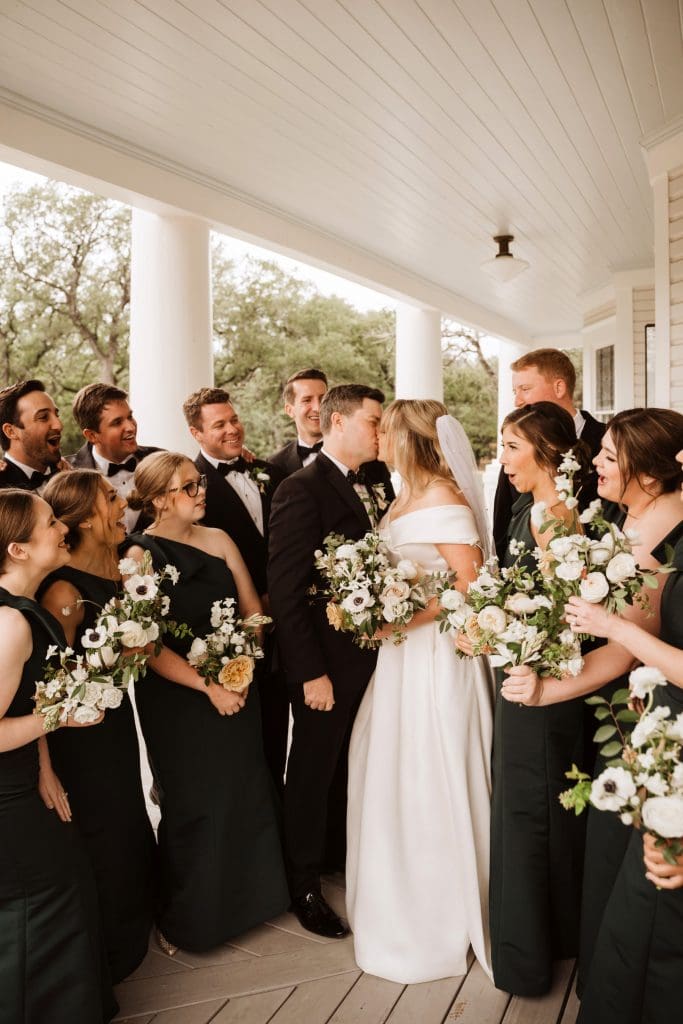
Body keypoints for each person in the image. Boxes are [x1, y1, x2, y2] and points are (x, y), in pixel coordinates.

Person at [501, 407, 683, 993]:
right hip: (621, 714)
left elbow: (627, 647)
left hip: (654, 724)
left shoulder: (667, 538)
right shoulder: (618, 519)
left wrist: (548, 689)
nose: (594, 462)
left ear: (650, 473)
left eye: (609, 456)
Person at [345, 399, 494, 984]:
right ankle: (395, 905)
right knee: (391, 770)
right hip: (400, 658)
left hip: (437, 656)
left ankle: (443, 916)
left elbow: (471, 585)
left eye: (385, 431)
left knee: (432, 770)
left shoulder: (446, 501)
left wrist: (403, 619)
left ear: (409, 439)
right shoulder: (401, 495)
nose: (376, 438)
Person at [122, 451, 289, 954]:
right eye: (187, 487)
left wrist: (244, 667)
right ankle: (193, 918)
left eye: (199, 484)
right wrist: (208, 686)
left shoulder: (219, 539)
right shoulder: (138, 556)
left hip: (238, 686)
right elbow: (143, 645)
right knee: (195, 802)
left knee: (244, 788)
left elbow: (253, 610)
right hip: (178, 700)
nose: (201, 493)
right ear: (157, 500)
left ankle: (254, 901)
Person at [472, 401, 595, 996]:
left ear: (548, 453)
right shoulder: (529, 507)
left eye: (513, 447)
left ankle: (530, 955)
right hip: (519, 669)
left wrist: (497, 628)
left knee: (531, 807)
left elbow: (563, 618)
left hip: (540, 680)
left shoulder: (553, 518)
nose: (503, 459)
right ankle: (555, 935)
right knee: (531, 802)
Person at [564, 446, 683, 1024]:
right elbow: (650, 634)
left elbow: (634, 637)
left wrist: (612, 626)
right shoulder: (672, 546)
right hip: (664, 737)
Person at [268, 384, 386, 938]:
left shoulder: (378, 481)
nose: (380, 433)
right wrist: (310, 672)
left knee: (346, 765)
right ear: (337, 422)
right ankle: (304, 886)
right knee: (312, 772)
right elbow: (287, 591)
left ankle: (337, 855)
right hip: (324, 666)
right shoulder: (301, 489)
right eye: (373, 422)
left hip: (370, 657)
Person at [0, 488, 117, 1023]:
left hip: (27, 779)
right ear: (19, 549)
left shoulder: (21, 608)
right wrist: (62, 718)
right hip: (6, 800)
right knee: (42, 906)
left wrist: (46, 765)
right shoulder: (9, 625)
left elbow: (27, 695)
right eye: (49, 522)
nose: (61, 525)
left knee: (65, 890)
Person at [38, 470, 157, 983]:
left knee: (127, 820)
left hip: (113, 724)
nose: (122, 501)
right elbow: (47, 687)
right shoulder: (64, 592)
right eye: (111, 497)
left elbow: (134, 656)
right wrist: (45, 767)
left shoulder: (116, 572)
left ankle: (133, 934)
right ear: (86, 517)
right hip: (78, 740)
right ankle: (106, 955)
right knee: (102, 832)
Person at [183, 386, 287, 793]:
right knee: (243, 745)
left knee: (278, 733)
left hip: (284, 623)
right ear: (196, 433)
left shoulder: (269, 474)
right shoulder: (190, 487)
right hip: (229, 634)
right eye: (219, 424)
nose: (232, 429)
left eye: (234, 419)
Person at [492, 348, 605, 560]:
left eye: (525, 389)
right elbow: (502, 521)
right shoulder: (517, 447)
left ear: (559, 387)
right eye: (515, 391)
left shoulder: (607, 442)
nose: (517, 401)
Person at [268, 368, 395, 497]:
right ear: (289, 410)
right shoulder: (274, 465)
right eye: (307, 400)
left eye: (322, 399)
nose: (318, 408)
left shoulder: (368, 456)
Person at [68, 383, 160, 532]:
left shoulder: (159, 459)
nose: (131, 427)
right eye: (117, 423)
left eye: (130, 417)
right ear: (92, 435)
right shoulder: (68, 475)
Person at [0, 379, 71, 490]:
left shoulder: (71, 470)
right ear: (11, 431)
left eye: (57, 415)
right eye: (43, 417)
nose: (59, 425)